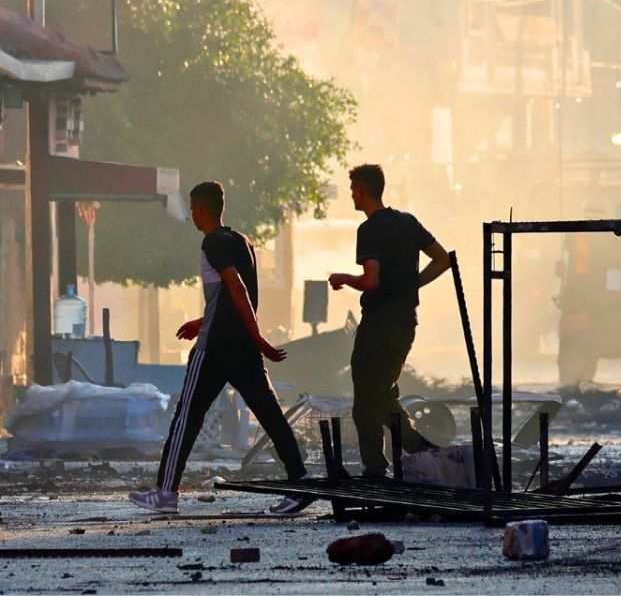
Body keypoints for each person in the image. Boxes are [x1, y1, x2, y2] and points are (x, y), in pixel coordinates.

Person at [130, 181, 311, 514]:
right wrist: (206, 322)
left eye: (192, 209)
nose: (192, 215)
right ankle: (300, 482)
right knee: (270, 414)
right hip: (242, 347)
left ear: (201, 209)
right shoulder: (243, 241)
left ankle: (166, 493)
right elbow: (231, 299)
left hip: (215, 349)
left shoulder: (212, 242)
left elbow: (237, 289)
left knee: (187, 417)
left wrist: (259, 338)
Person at [329, 164, 451, 477]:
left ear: (361, 190)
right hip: (405, 323)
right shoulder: (408, 222)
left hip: (379, 323)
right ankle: (382, 464)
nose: (351, 195)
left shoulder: (369, 230)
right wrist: (413, 284)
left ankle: (414, 451)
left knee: (371, 395)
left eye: (353, 189)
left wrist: (344, 278)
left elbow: (371, 281)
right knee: (375, 393)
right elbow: (443, 259)